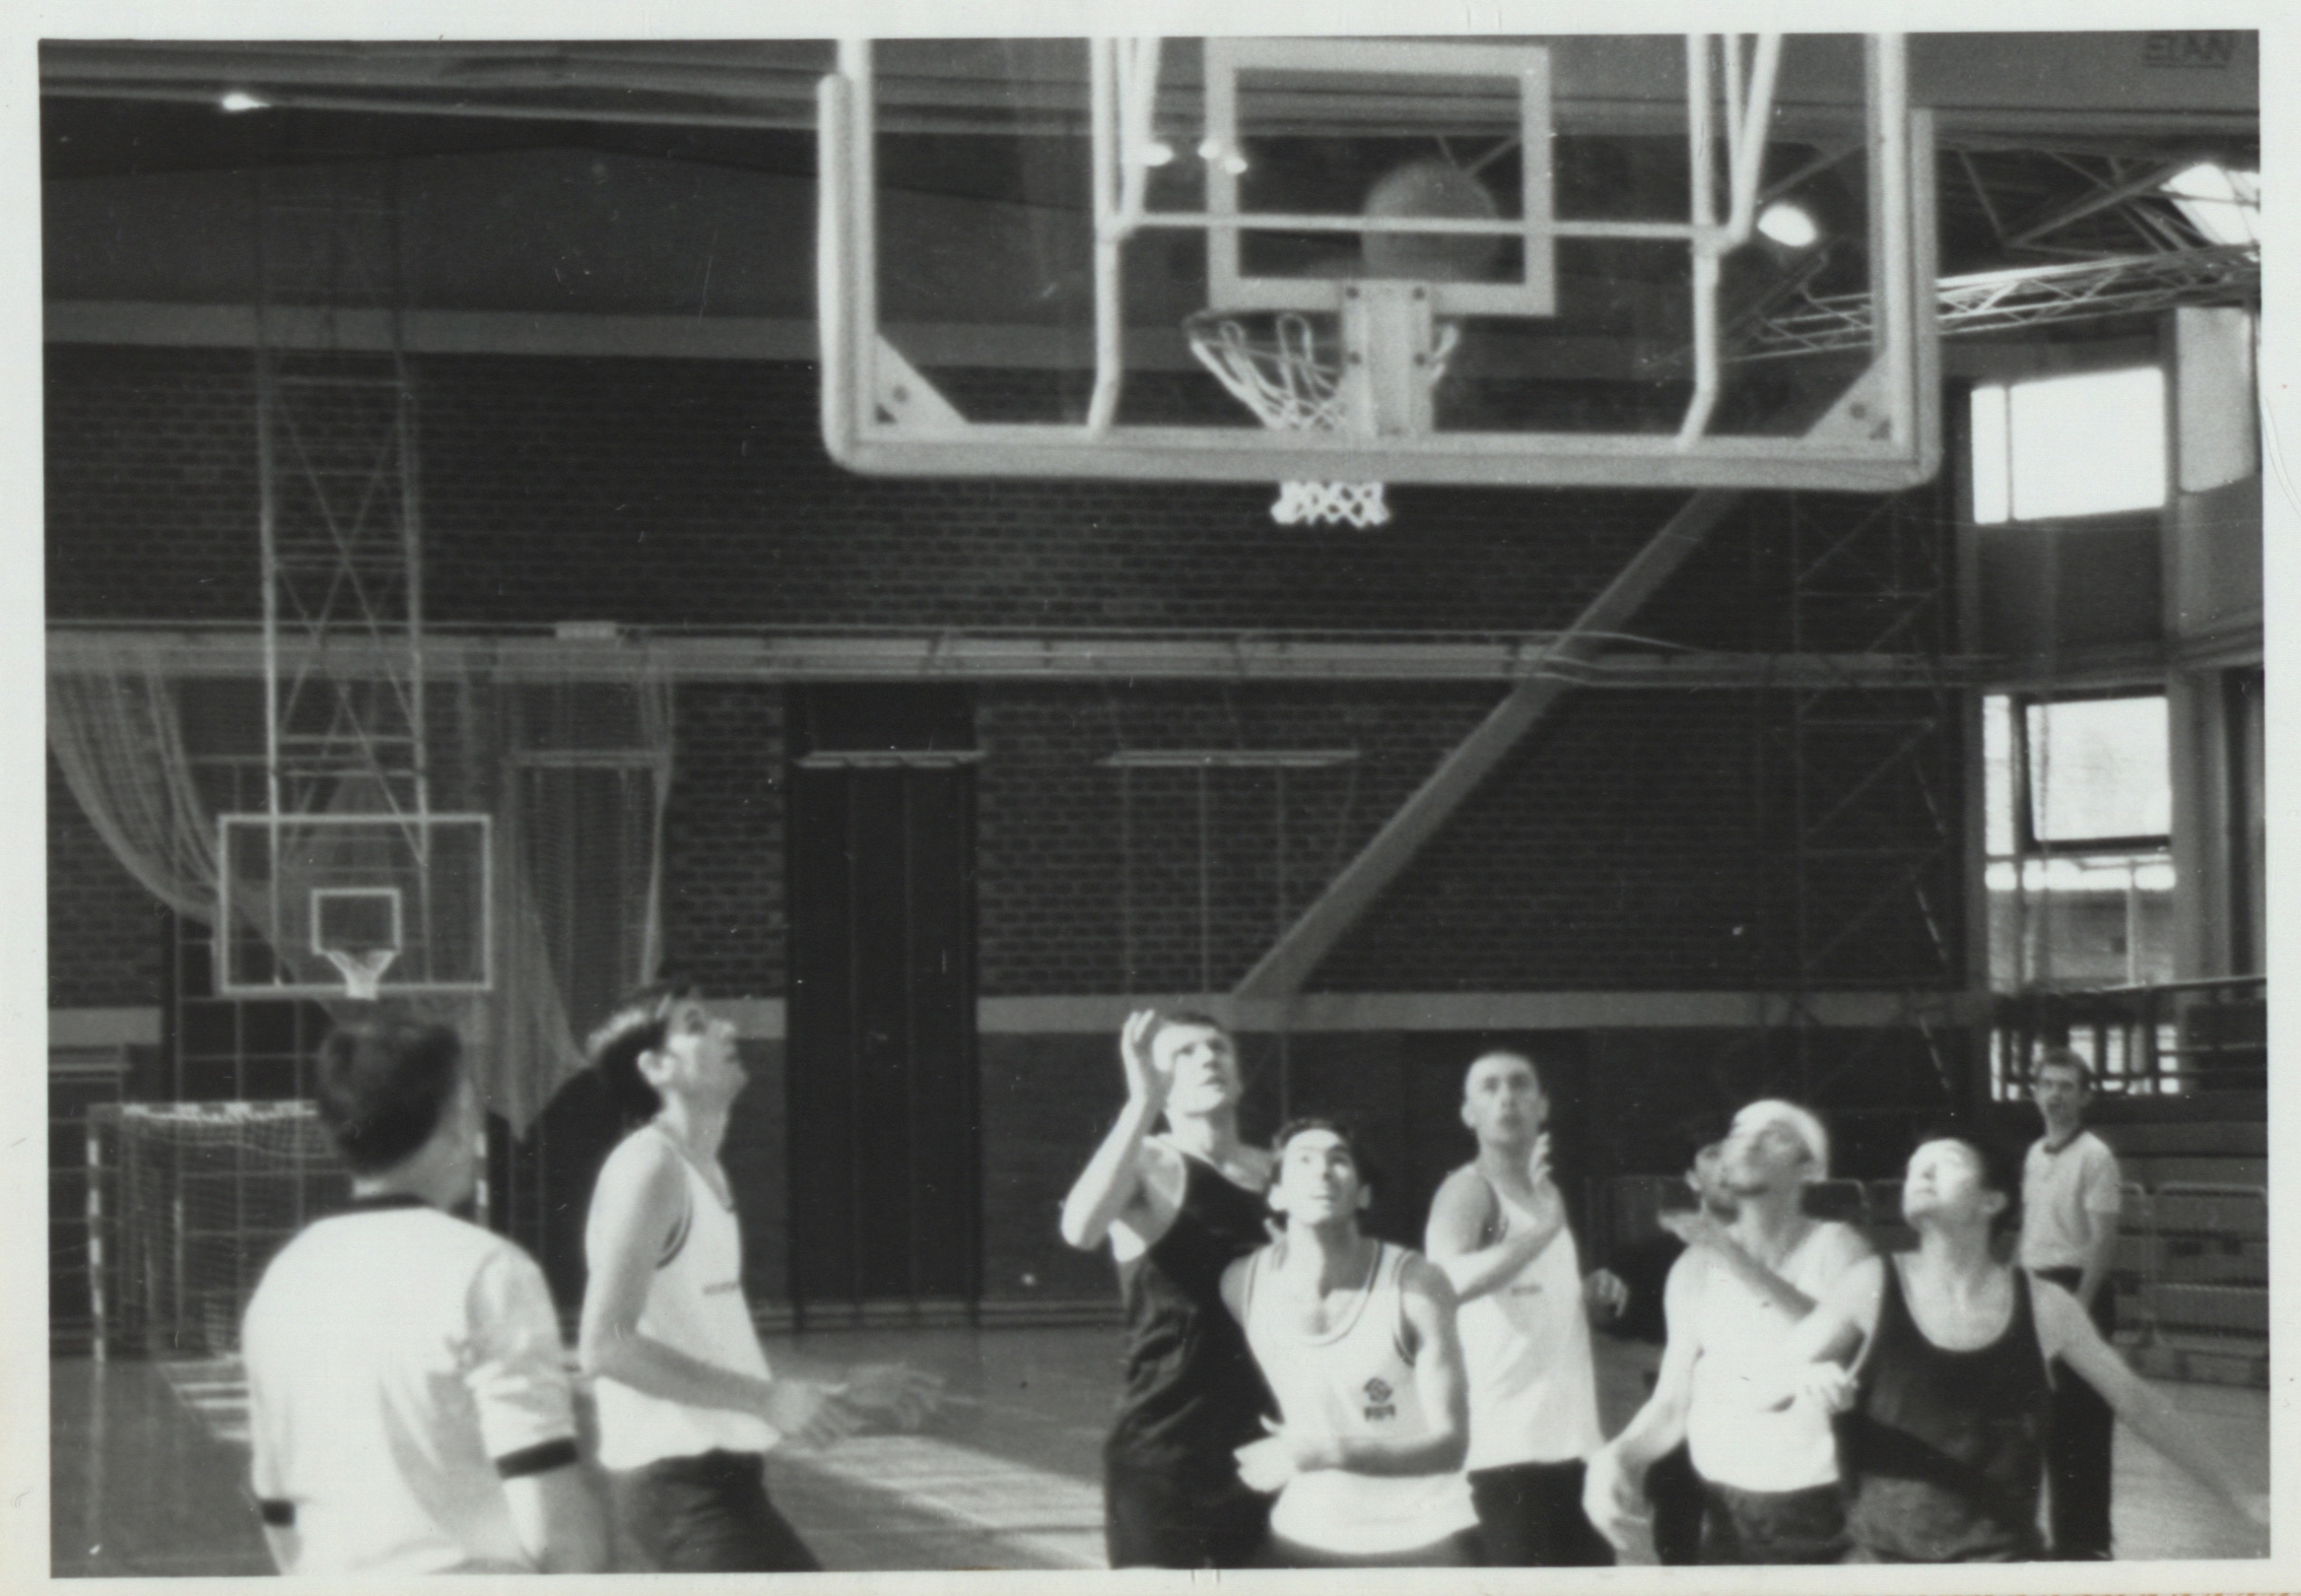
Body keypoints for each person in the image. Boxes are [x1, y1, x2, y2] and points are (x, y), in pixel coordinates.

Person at [1780, 1125, 2269, 1562]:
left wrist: (2241, 1497)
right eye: (1913, 1167)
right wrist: (1803, 1372)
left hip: (2001, 1563)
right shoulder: (1868, 1284)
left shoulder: (2044, 1306)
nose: (1920, 1173)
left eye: (1946, 1162)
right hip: (1883, 1565)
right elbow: (1759, 1382)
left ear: (1992, 1201)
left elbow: (2137, 1402)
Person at [578, 981, 938, 1572]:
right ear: (656, 1067)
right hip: (676, 1490)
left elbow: (704, 1342)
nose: (727, 1029)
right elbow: (605, 1346)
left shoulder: (701, 1170)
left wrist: (833, 1385)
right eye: (697, 1025)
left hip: (719, 1483)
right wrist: (766, 1398)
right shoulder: (649, 1168)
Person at [242, 1018, 605, 1575]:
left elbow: (278, 1510)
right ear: (456, 1118)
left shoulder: (284, 1279)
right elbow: (548, 1509)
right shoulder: (489, 1270)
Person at [1586, 1099, 1869, 1564]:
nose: (1749, 1143)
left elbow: (1838, 1343)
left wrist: (1732, 1256)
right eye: (1739, 1134)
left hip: (1828, 1513)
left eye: (1774, 1135)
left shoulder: (1841, 1248)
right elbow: (1670, 1405)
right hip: (1726, 1514)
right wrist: (1615, 1457)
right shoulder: (1694, 1265)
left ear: (1811, 1168)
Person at [1059, 1009, 1276, 1568]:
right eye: (1184, 1052)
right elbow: (1080, 1228)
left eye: (1218, 1048)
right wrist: (1141, 1104)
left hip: (1270, 1443)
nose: (1207, 1058)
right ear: (1157, 1079)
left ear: (1239, 1073)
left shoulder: (1281, 1173)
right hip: (1167, 1450)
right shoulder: (1147, 1163)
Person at [1222, 1120, 1477, 1566]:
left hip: (1422, 1533)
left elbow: (1450, 1446)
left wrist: (1323, 1452)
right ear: (1276, 1195)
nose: (1322, 1170)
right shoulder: (1243, 1284)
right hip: (1305, 1531)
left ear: (1363, 1195)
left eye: (1338, 1160)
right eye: (1303, 1160)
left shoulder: (1416, 1285)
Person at [1423, 1050, 1623, 1565]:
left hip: (1572, 1447)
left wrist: (1584, 1292)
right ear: (1468, 1113)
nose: (1506, 1097)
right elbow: (1442, 1287)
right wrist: (1546, 1231)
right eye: (1489, 1087)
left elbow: (1525, 1293)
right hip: (1502, 1455)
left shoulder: (1543, 1192)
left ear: (1543, 1105)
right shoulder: (1467, 1190)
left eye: (1519, 1084)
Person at [2019, 1047, 2123, 1559]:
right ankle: (2054, 1538)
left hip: (2079, 1291)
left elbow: (2103, 1242)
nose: (2055, 1095)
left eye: (2066, 1086)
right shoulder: (2034, 1154)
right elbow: (2031, 1231)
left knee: (2084, 1425)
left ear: (2084, 1097)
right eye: (2048, 1084)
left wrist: (2077, 1311)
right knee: (2042, 1423)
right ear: (2034, 1092)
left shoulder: (2096, 1156)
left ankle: (2087, 1543)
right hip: (2036, 1289)